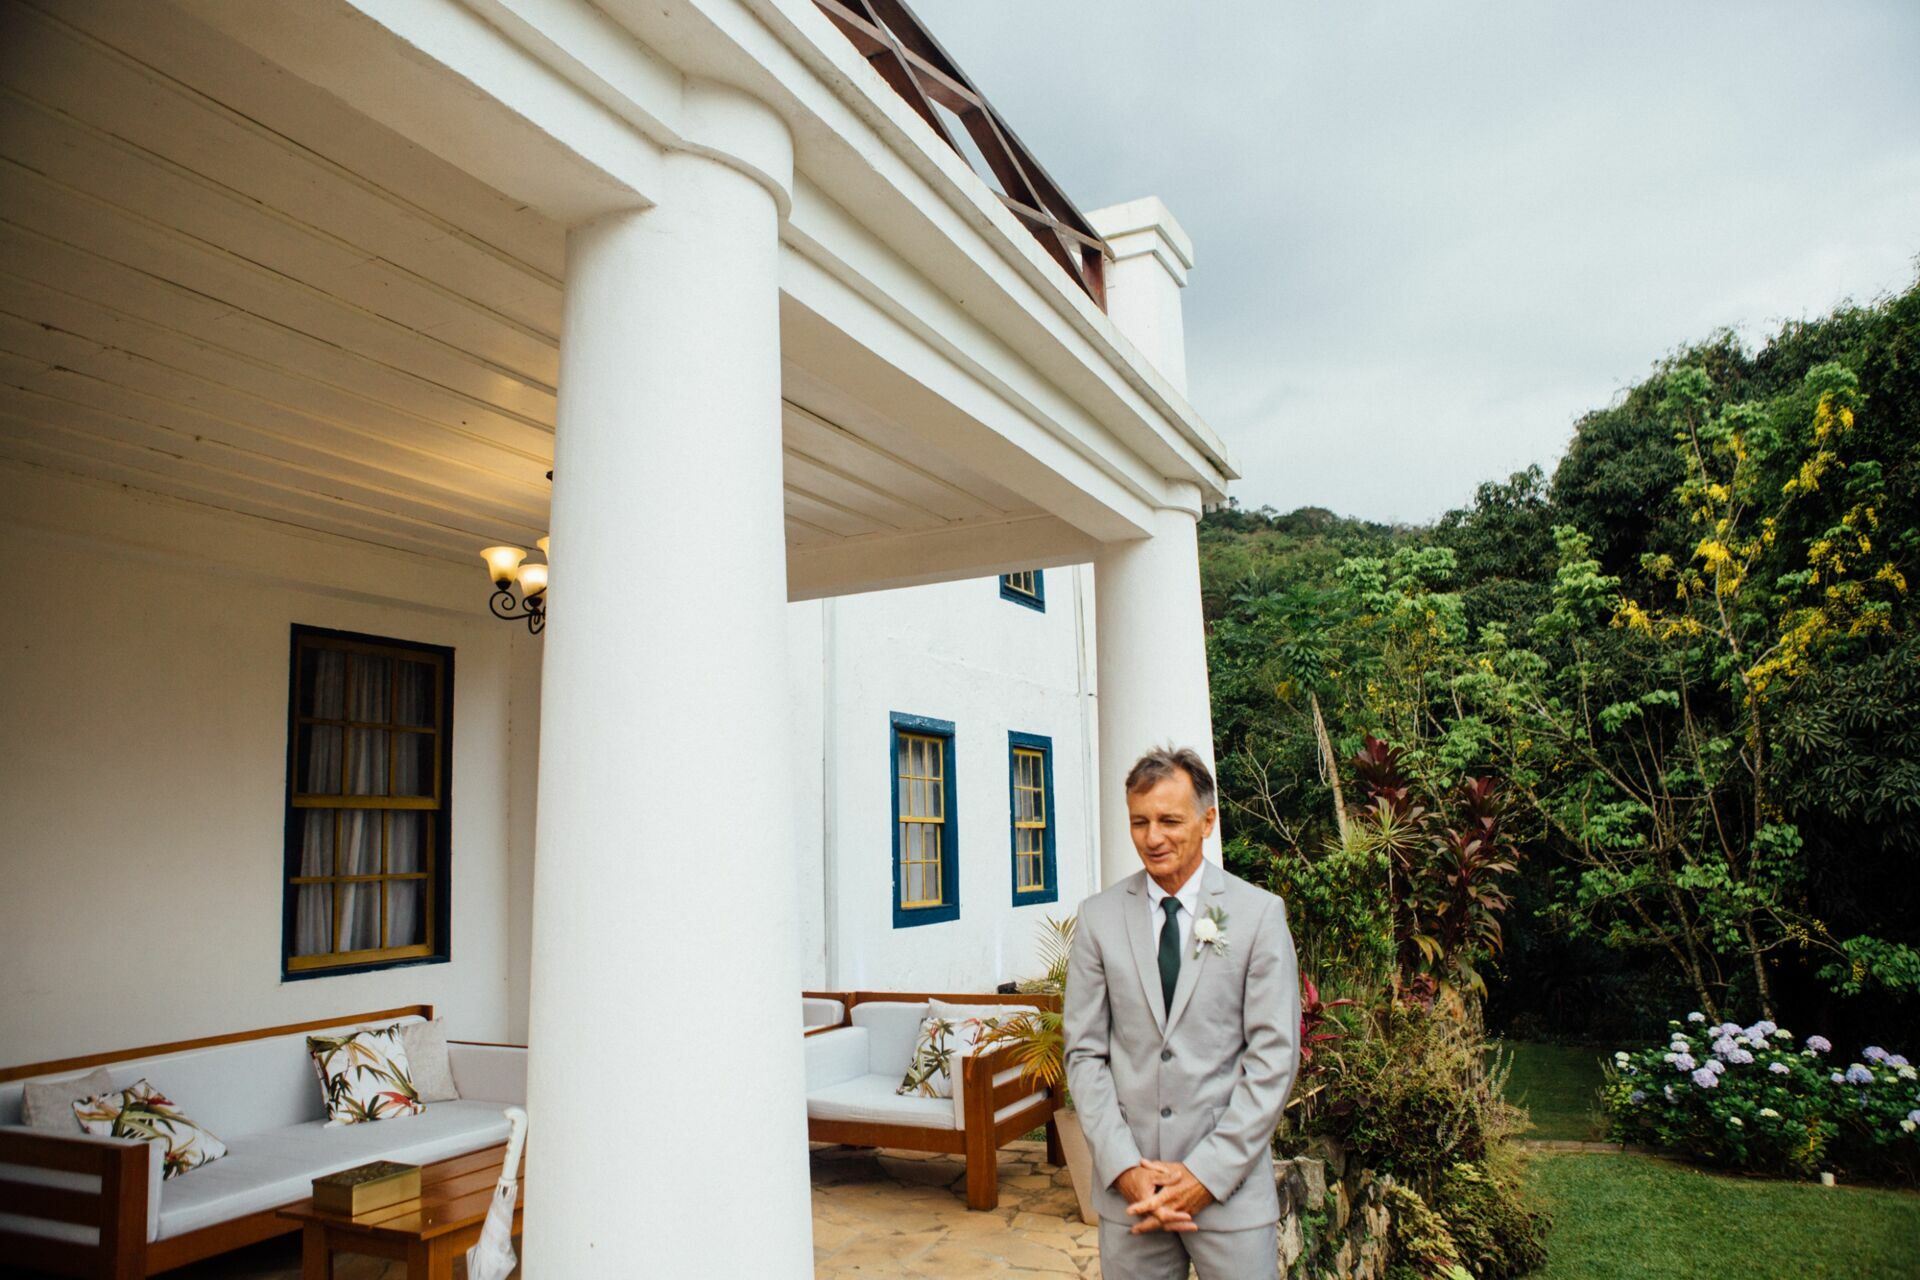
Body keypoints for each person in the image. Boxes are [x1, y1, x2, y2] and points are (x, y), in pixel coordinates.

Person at [1064, 746, 1301, 1279]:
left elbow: (1273, 1059)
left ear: (1207, 820)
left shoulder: (1258, 915)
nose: (1153, 837)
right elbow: (1084, 1053)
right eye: (1139, 822)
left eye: (1170, 820)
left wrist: (1206, 1174)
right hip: (1133, 1197)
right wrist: (1122, 1164)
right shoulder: (1099, 919)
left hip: (1229, 1196)